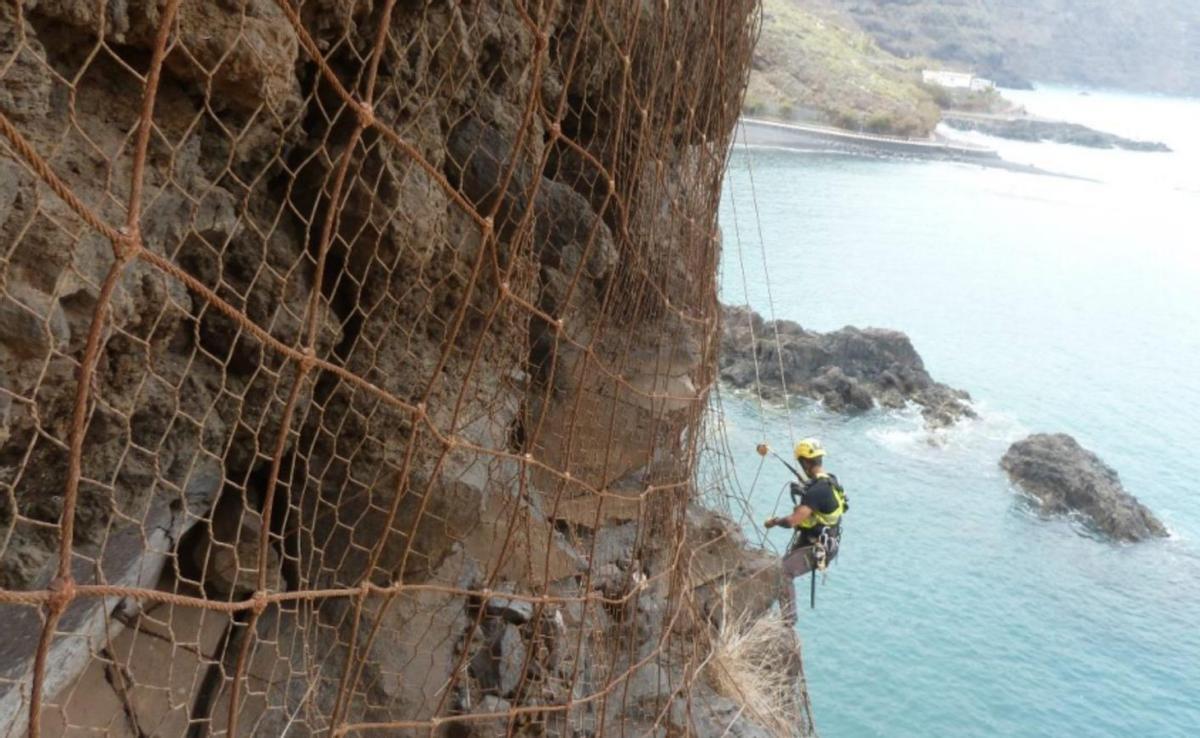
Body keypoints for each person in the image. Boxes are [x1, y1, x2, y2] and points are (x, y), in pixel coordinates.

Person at [764, 438, 846, 619]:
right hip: (821, 540)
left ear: (805, 462)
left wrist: (774, 522)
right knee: (777, 571)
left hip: (818, 546)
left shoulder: (817, 491)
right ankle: (774, 610)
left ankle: (788, 620)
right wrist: (806, 489)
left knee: (783, 572)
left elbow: (792, 521)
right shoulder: (831, 480)